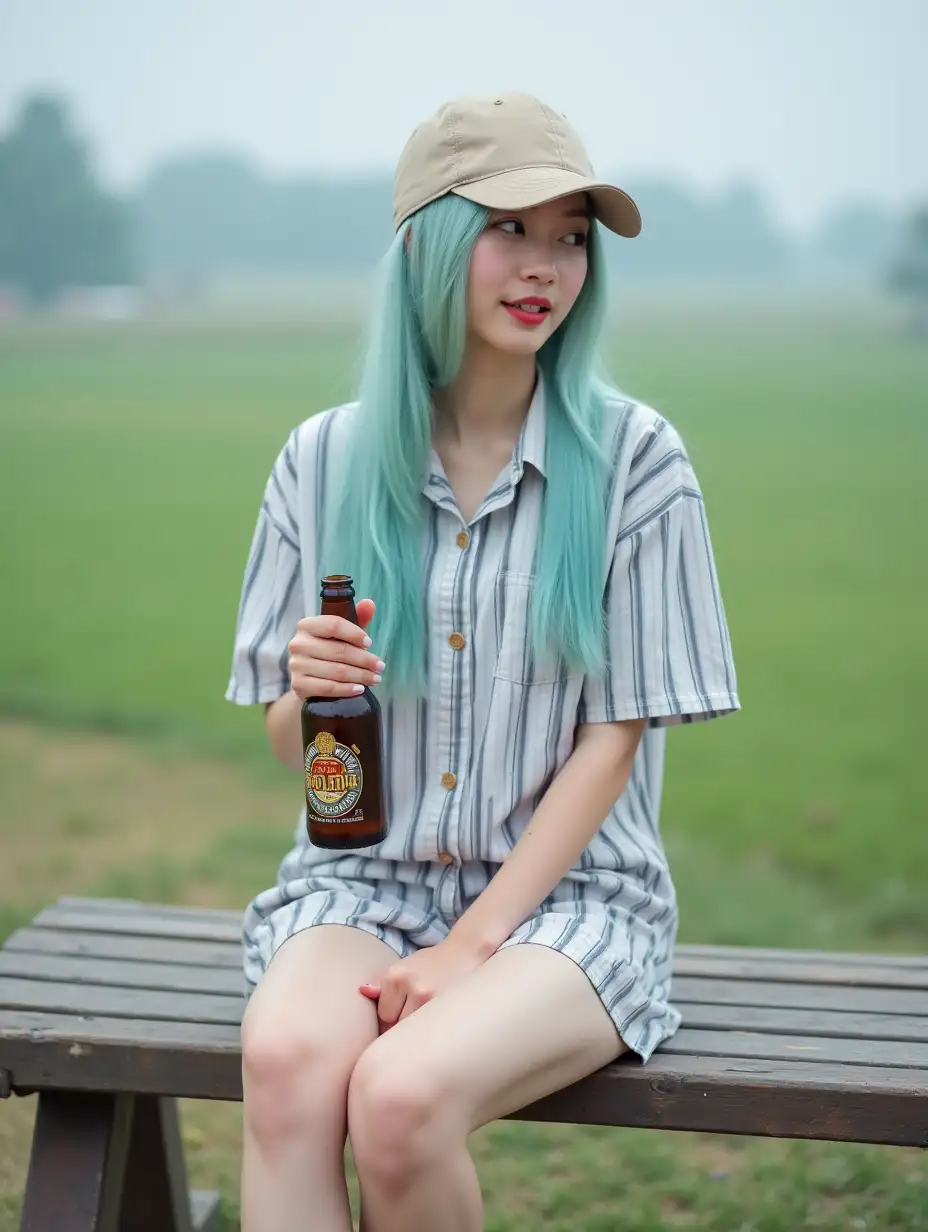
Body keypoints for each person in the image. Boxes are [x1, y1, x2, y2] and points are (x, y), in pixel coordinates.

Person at [226, 90, 740, 1232]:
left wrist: (470, 946)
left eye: (569, 237)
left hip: (570, 905)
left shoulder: (636, 461)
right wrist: (309, 694)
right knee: (289, 1062)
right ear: (427, 246)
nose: (544, 265)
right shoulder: (321, 462)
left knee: (400, 1095)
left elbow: (615, 743)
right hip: (359, 881)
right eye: (509, 227)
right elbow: (288, 742)